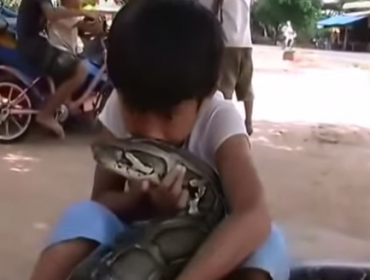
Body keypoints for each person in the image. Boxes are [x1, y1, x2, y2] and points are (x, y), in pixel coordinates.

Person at [28, 1, 289, 280]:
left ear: (207, 93)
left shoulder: (219, 119)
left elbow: (253, 213)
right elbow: (102, 200)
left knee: (267, 242)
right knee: (83, 215)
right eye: (137, 109)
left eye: (167, 115)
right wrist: (144, 201)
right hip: (141, 239)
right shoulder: (117, 105)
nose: (151, 130)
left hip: (210, 250)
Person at [17, 0, 102, 138]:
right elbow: (52, 15)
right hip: (32, 47)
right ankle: (46, 114)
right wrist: (83, 12)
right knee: (81, 69)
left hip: (34, 44)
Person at [209, 0, 254, 135]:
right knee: (246, 85)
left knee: (224, 87)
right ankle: (248, 122)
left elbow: (214, 10)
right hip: (246, 42)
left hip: (228, 42)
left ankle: (224, 123)